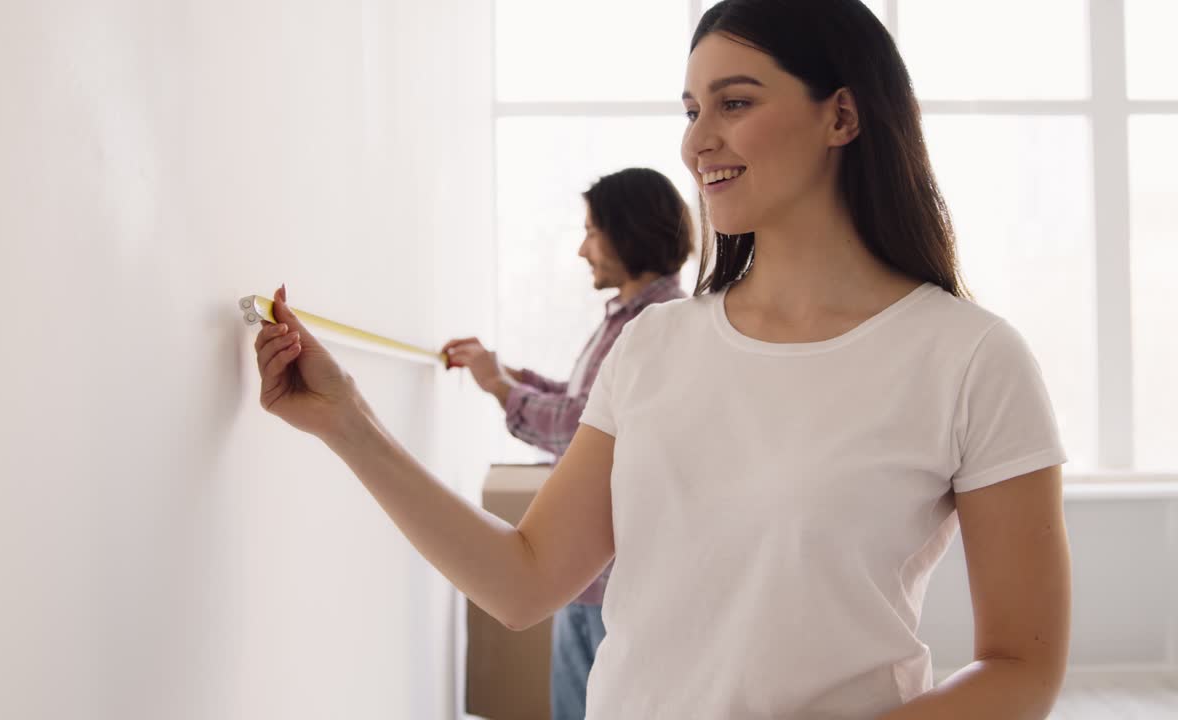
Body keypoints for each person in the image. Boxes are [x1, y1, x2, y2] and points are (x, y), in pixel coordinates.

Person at [251, 0, 1071, 717]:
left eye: (735, 102)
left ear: (843, 117)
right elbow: (523, 582)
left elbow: (1022, 670)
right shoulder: (654, 344)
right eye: (689, 110)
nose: (697, 142)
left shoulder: (969, 358)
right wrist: (348, 422)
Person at [438, 167, 691, 720]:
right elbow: (588, 401)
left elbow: (582, 428)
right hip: (592, 583)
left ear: (629, 232)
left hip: (599, 585)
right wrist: (503, 374)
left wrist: (501, 388)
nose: (582, 250)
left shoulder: (651, 324)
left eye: (592, 231)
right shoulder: (631, 319)